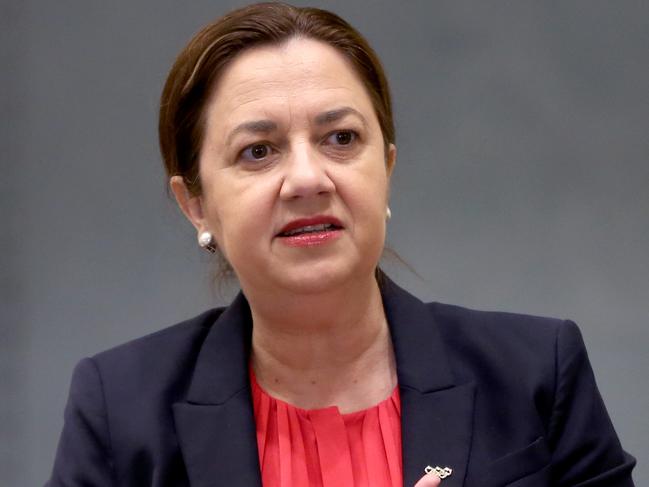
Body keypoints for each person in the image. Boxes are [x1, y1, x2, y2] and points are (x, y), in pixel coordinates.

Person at [46, 3, 636, 487]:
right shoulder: (120, 411)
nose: (307, 179)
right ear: (195, 203)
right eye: (258, 150)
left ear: (386, 167)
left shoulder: (537, 372)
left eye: (340, 138)